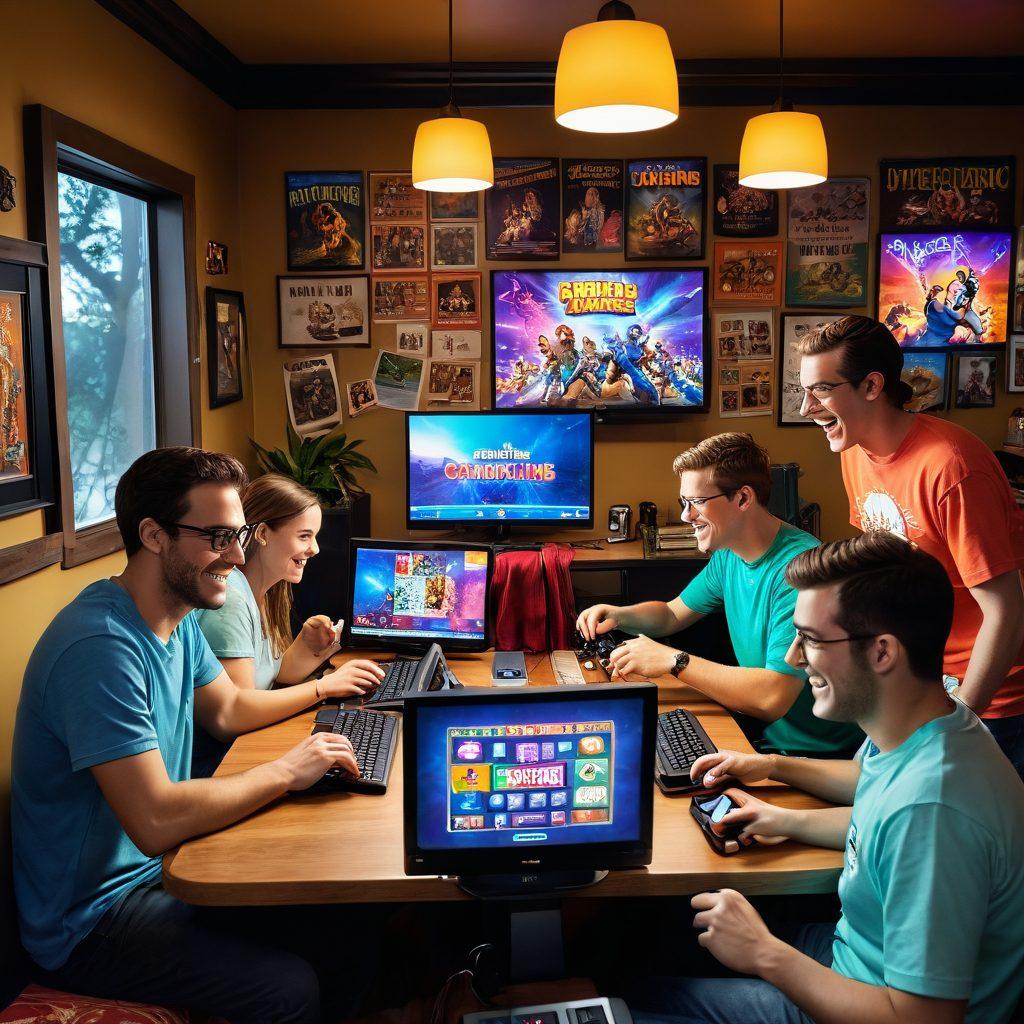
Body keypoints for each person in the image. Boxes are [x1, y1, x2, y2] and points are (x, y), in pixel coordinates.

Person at [11, 447, 383, 1023]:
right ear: (154, 535)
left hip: (158, 874)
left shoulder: (176, 618)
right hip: (92, 921)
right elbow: (154, 819)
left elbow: (229, 707)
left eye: (238, 536)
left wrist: (309, 735)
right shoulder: (99, 647)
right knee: (288, 989)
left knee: (348, 921)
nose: (236, 556)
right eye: (218, 538)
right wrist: (287, 770)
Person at [629, 533, 1024, 1024]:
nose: (793, 658)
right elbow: (875, 807)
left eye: (811, 639)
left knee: (637, 1003)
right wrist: (778, 796)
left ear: (882, 652)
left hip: (875, 1003)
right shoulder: (930, 721)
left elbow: (923, 1018)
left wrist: (765, 954)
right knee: (651, 940)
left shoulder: (932, 811)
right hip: (854, 956)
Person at [796, 314, 1024, 777]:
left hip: (989, 695)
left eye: (820, 390)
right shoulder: (855, 452)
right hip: (921, 680)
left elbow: (1006, 610)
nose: (805, 408)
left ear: (872, 386)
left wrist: (957, 722)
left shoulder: (951, 467)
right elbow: (881, 575)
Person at [577, 433, 861, 757]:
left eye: (697, 502)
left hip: (812, 753)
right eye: (684, 502)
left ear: (742, 498)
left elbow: (773, 697)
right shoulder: (729, 553)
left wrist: (673, 660)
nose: (686, 515)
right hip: (765, 733)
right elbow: (672, 614)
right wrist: (618, 615)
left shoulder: (800, 572)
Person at [192, 473, 384, 774]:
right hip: (220, 766)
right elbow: (239, 713)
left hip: (244, 750)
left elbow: (271, 676)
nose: (315, 548)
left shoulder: (263, 591)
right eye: (304, 536)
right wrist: (324, 687)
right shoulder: (231, 601)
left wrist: (309, 648)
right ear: (263, 533)